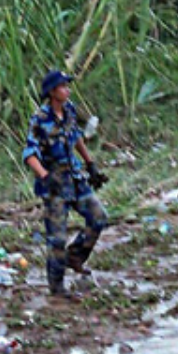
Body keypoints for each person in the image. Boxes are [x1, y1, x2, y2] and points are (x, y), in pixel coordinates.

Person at [22, 70, 109, 300]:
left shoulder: (69, 110)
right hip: (54, 185)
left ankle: (76, 256)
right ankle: (57, 287)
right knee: (57, 238)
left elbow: (76, 136)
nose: (67, 90)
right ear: (52, 92)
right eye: (63, 86)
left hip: (75, 179)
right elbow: (30, 153)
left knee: (98, 216)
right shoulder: (39, 119)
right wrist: (44, 176)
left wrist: (90, 164)